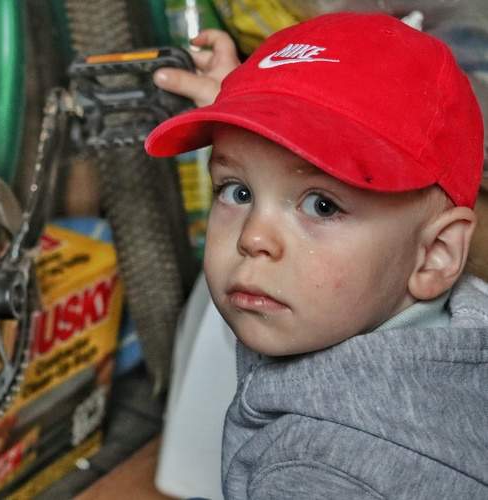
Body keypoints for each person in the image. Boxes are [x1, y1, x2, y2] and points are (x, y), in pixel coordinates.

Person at [147, 12, 488, 499]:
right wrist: (254, 111)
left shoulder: (322, 472)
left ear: (435, 253)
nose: (253, 238)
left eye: (322, 205)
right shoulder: (461, 326)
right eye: (238, 191)